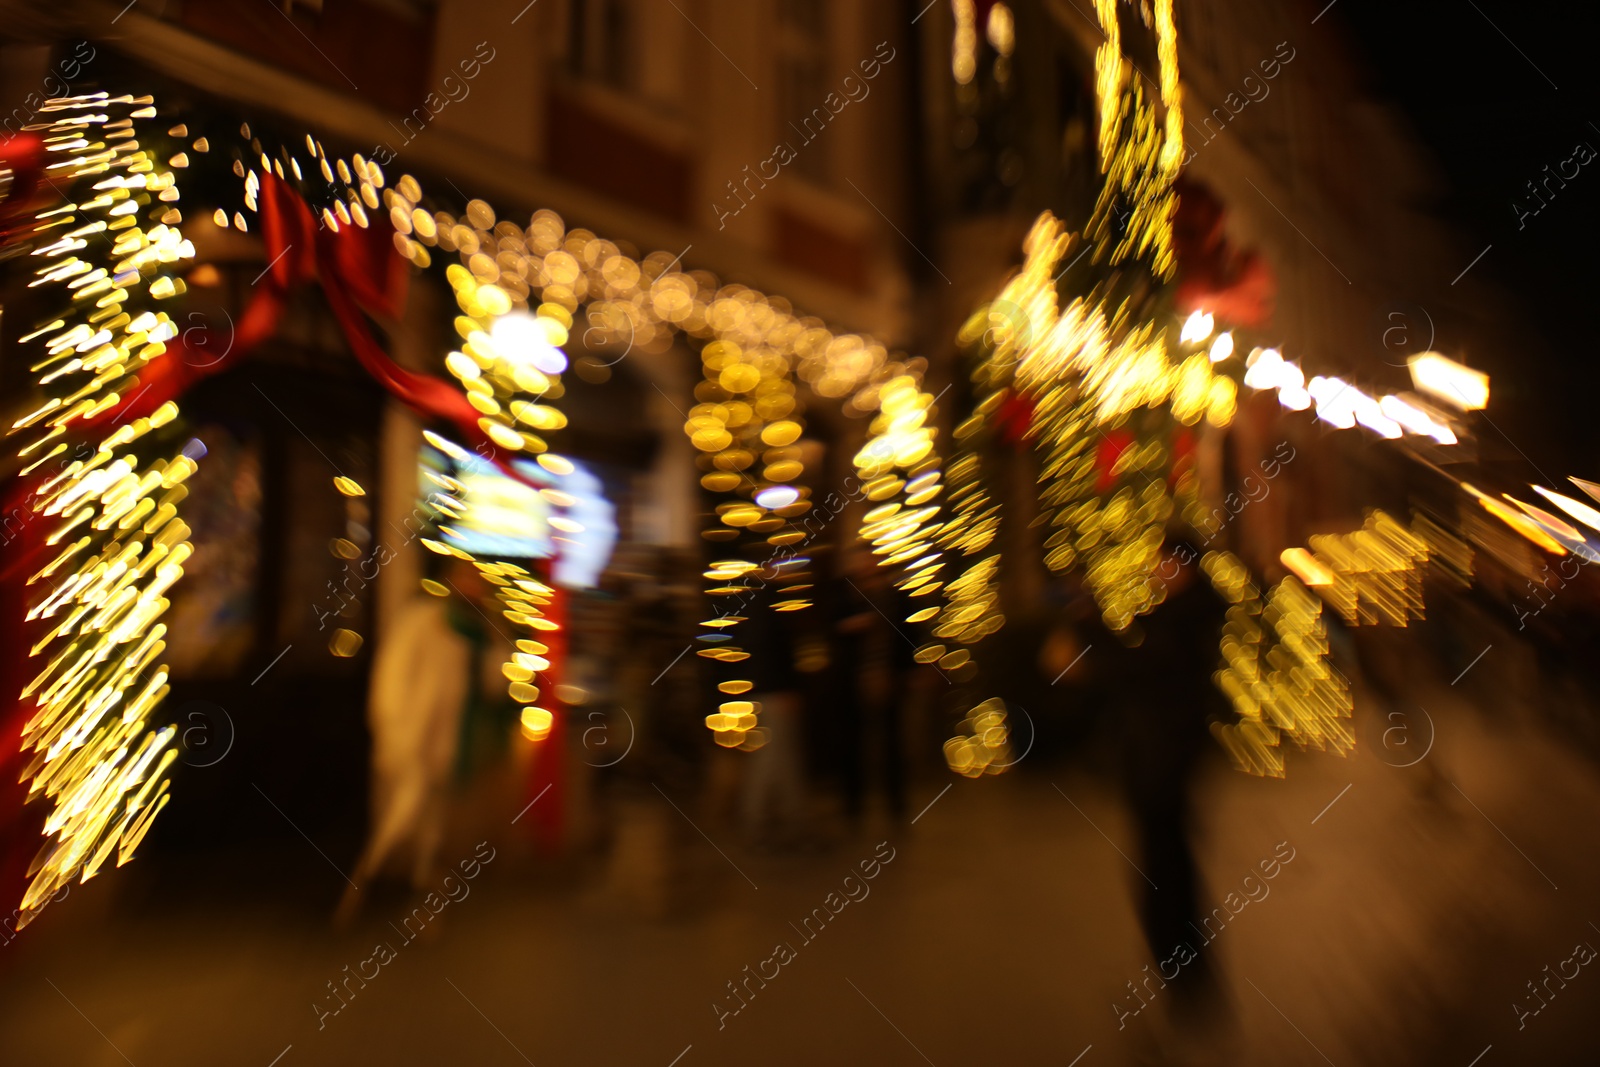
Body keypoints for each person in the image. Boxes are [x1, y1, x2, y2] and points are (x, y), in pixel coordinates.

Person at [337, 557, 511, 923]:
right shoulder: (422, 620)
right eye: (467, 578)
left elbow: (493, 686)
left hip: (448, 742)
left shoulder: (480, 633)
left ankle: (415, 893)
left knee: (432, 820)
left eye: (478, 581)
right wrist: (392, 726)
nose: (473, 587)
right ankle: (367, 881)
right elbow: (393, 676)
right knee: (408, 810)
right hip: (413, 736)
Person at [833, 550, 913, 826]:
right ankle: (853, 804)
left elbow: (908, 636)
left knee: (891, 742)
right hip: (853, 680)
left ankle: (896, 805)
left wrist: (904, 672)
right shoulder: (847, 594)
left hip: (887, 677)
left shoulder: (893, 597)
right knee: (853, 744)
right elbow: (832, 629)